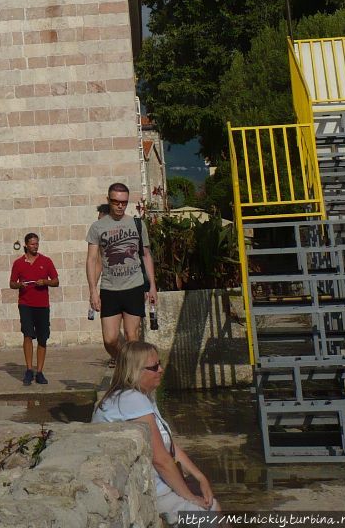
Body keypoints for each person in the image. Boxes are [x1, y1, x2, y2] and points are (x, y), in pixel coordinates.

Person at [93, 341, 221, 522]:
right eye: (154, 367)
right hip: (151, 492)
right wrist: (190, 497)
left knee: (213, 507)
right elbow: (160, 459)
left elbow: (168, 445)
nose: (161, 369)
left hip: (157, 485)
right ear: (135, 371)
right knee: (209, 514)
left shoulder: (143, 396)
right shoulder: (131, 399)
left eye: (159, 364)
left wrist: (200, 477)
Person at [86, 182, 156, 360]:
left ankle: (132, 375)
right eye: (116, 202)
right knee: (110, 340)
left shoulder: (137, 224)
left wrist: (152, 286)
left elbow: (146, 255)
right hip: (109, 288)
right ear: (108, 200)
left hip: (134, 286)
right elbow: (92, 259)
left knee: (132, 337)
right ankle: (124, 362)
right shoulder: (97, 227)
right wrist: (93, 290)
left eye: (124, 202)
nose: (120, 206)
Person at [9, 232, 59, 385]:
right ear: (25, 245)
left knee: (43, 338)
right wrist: (19, 285)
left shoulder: (46, 261)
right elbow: (11, 283)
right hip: (25, 304)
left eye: (37, 243)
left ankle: (40, 372)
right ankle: (29, 370)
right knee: (27, 335)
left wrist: (45, 281)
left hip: (42, 305)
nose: (35, 246)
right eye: (32, 244)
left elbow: (56, 281)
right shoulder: (18, 263)